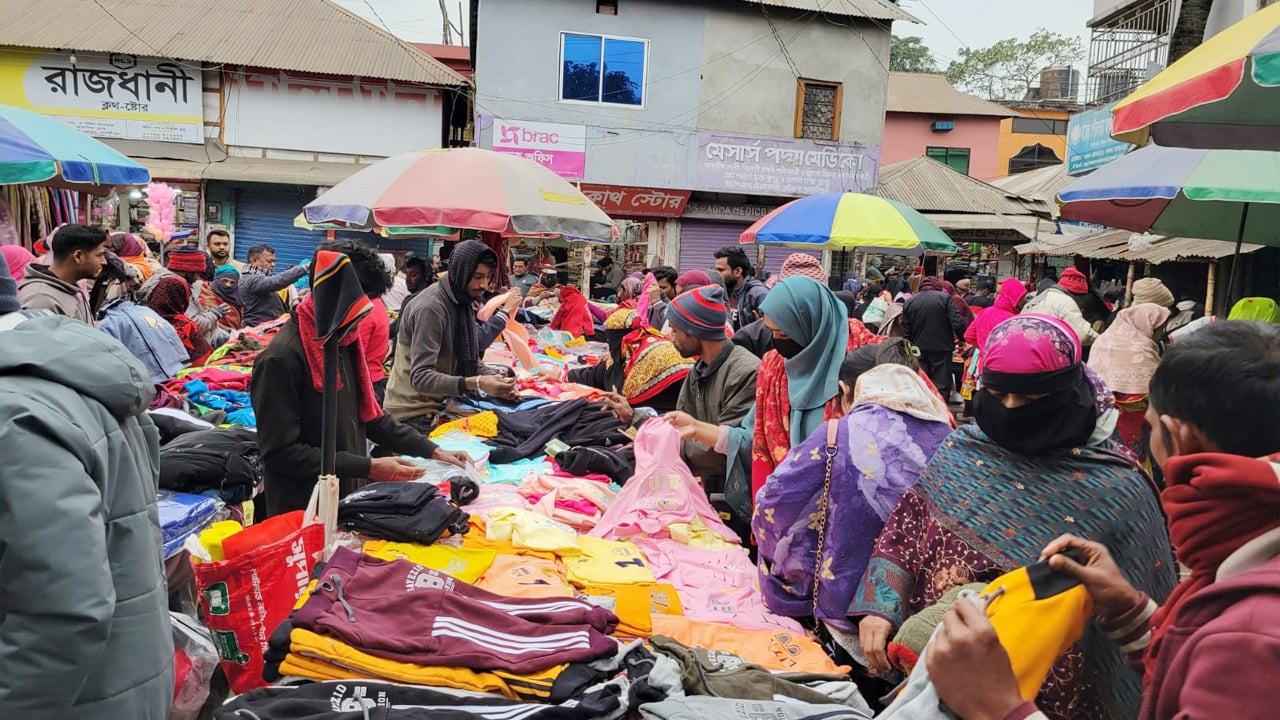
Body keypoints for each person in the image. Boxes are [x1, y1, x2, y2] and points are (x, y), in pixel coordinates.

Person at [925, 320, 1280, 720]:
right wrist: (1128, 608)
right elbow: (1192, 675)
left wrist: (999, 707)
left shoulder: (1252, 633)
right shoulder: (1239, 563)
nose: (1009, 407)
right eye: (998, 392)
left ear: (1179, 437)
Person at [853, 314, 1176, 720]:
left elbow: (1142, 608)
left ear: (1069, 390)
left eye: (1030, 399)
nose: (1010, 409)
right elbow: (906, 528)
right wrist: (880, 607)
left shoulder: (1118, 488)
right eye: (998, 394)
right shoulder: (961, 451)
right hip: (938, 678)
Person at [0, 250, 173, 718]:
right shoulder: (74, 376)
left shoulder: (13, 414)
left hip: (77, 696)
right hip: (119, 674)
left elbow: (61, 609)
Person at [251, 244, 470, 518]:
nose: (367, 314)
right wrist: (368, 467)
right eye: (361, 303)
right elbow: (280, 454)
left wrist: (432, 450)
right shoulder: (280, 360)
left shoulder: (342, 342)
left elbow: (370, 416)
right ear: (334, 298)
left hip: (345, 499)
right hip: (303, 511)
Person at [754, 341, 953, 636]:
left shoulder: (838, 434)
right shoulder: (950, 438)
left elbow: (774, 503)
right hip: (924, 611)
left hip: (848, 602)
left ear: (847, 391)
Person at [733, 276, 882, 521]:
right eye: (772, 332)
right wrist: (700, 430)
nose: (778, 341)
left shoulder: (871, 360)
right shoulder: (774, 368)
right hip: (788, 520)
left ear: (811, 323)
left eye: (784, 332)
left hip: (855, 519)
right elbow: (754, 435)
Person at [384, 239, 518, 430]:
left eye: (487, 277)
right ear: (461, 273)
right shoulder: (431, 308)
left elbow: (468, 356)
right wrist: (477, 382)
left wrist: (496, 379)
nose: (484, 284)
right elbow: (421, 377)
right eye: (478, 276)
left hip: (440, 405)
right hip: (412, 415)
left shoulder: (460, 301)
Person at [660, 287, 760, 527]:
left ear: (694, 332)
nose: (670, 337)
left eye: (675, 330)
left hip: (738, 501)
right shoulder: (699, 370)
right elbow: (681, 424)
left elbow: (726, 450)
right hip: (709, 492)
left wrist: (665, 450)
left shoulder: (746, 372)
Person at [1087, 303, 1171, 476]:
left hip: (1101, 419)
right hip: (1135, 421)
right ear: (1146, 325)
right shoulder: (1140, 349)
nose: (1160, 333)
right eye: (1158, 328)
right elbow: (1156, 390)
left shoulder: (1104, 340)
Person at [590, 308, 694, 420]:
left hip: (667, 423)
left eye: (674, 330)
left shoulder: (657, 355)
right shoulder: (629, 351)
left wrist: (633, 416)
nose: (671, 339)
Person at [17, 224, 104, 323]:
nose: (104, 261)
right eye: (99, 255)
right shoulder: (41, 299)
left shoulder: (69, 288)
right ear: (78, 256)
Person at [902, 277, 968, 395]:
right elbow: (957, 322)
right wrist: (962, 339)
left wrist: (909, 350)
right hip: (942, 349)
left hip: (918, 349)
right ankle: (941, 409)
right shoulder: (945, 298)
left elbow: (906, 331)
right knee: (941, 386)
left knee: (921, 383)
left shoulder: (910, 301)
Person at [147, 275, 213, 367]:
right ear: (181, 298)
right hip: (190, 376)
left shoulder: (143, 322)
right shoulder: (185, 325)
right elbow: (206, 359)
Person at [1024, 267, 1100, 345]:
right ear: (1077, 295)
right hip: (1044, 351)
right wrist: (1102, 340)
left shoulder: (1038, 298)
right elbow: (1084, 335)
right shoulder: (1066, 302)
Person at [240, 243, 309, 327]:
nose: (273, 265)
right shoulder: (250, 280)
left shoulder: (257, 280)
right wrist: (305, 268)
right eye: (269, 261)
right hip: (257, 331)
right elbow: (276, 282)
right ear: (254, 260)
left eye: (274, 261)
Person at [964, 278, 1028, 353]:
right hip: (1004, 363)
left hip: (984, 361)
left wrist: (983, 349)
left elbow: (969, 336)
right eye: (1022, 297)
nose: (1025, 300)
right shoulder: (1013, 320)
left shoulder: (985, 312)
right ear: (1014, 298)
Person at [713, 246, 769, 332]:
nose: (717, 274)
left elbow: (771, 330)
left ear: (738, 271)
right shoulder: (722, 292)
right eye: (715, 270)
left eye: (721, 270)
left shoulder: (758, 294)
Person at [198, 264, 244, 330]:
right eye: (224, 281)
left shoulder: (236, 299)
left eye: (232, 283)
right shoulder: (205, 295)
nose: (228, 285)